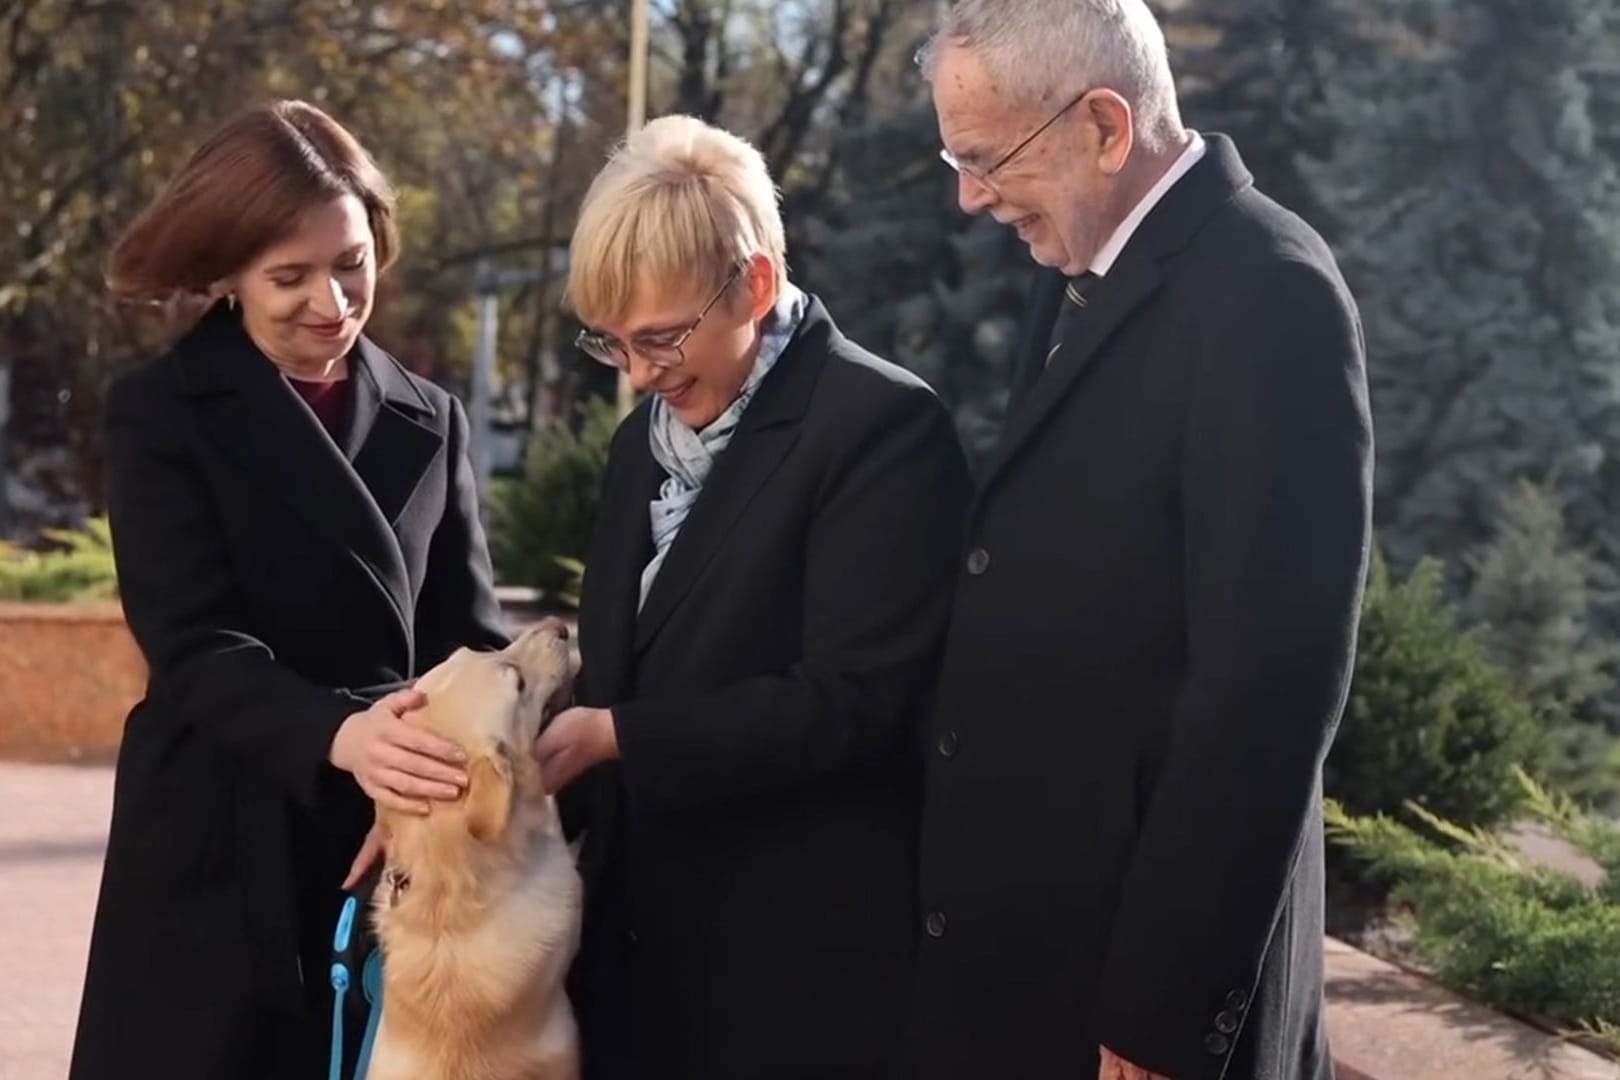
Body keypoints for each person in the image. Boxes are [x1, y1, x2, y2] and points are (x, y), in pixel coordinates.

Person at [906, 2, 1374, 1079]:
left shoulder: (1271, 294)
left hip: (1137, 1007)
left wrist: (1166, 1008)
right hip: (1038, 958)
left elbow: (1269, 689)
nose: (969, 197)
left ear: (1105, 127)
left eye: (986, 161)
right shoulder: (1084, 262)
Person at [70, 100, 508, 1080]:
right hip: (215, 838)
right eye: (289, 277)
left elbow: (468, 643)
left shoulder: (430, 419)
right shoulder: (160, 412)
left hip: (387, 841)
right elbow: (191, 643)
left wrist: (427, 783)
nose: (332, 301)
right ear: (226, 273)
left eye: (352, 263)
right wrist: (338, 736)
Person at [534, 114, 973, 1080]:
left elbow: (855, 701)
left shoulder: (882, 428)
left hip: (791, 980)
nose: (640, 375)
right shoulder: (638, 446)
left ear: (758, 284)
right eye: (611, 345)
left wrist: (619, 738)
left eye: (660, 338)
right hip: (636, 967)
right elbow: (632, 660)